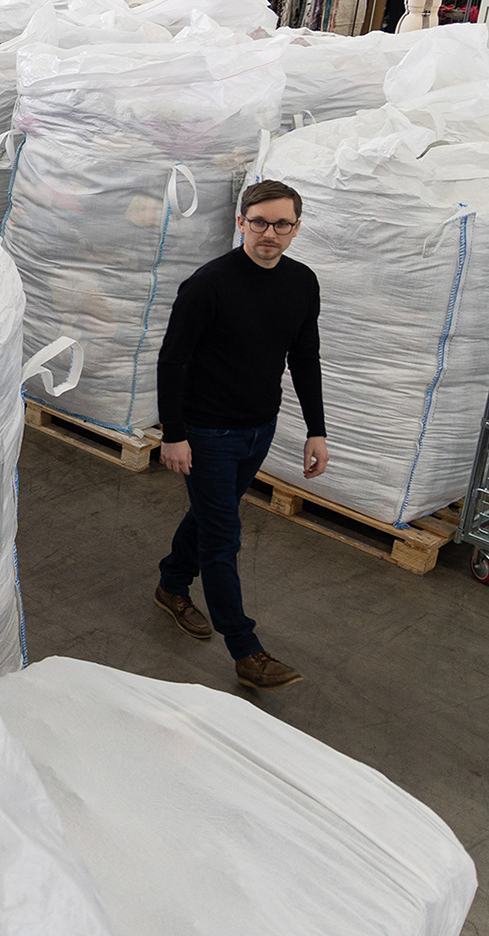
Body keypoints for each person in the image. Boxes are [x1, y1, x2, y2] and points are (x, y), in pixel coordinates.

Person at [153, 181, 327, 691]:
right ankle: (246, 649)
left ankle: (171, 584)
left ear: (296, 227)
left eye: (281, 224)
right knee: (223, 537)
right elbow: (173, 360)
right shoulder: (208, 285)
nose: (269, 234)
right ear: (240, 222)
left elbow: (305, 358)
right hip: (207, 432)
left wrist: (316, 430)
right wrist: (174, 434)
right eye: (259, 222)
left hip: (259, 428)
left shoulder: (302, 282)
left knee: (211, 516)